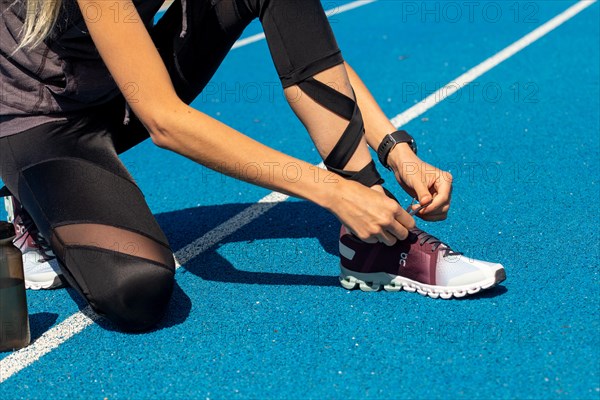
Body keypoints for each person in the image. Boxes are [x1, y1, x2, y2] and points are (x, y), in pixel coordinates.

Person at [0, 0, 505, 331]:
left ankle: (377, 246)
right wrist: (329, 191)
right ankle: (33, 212)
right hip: (44, 120)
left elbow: (308, 52)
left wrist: (396, 150)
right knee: (135, 292)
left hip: (119, 85)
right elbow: (165, 121)